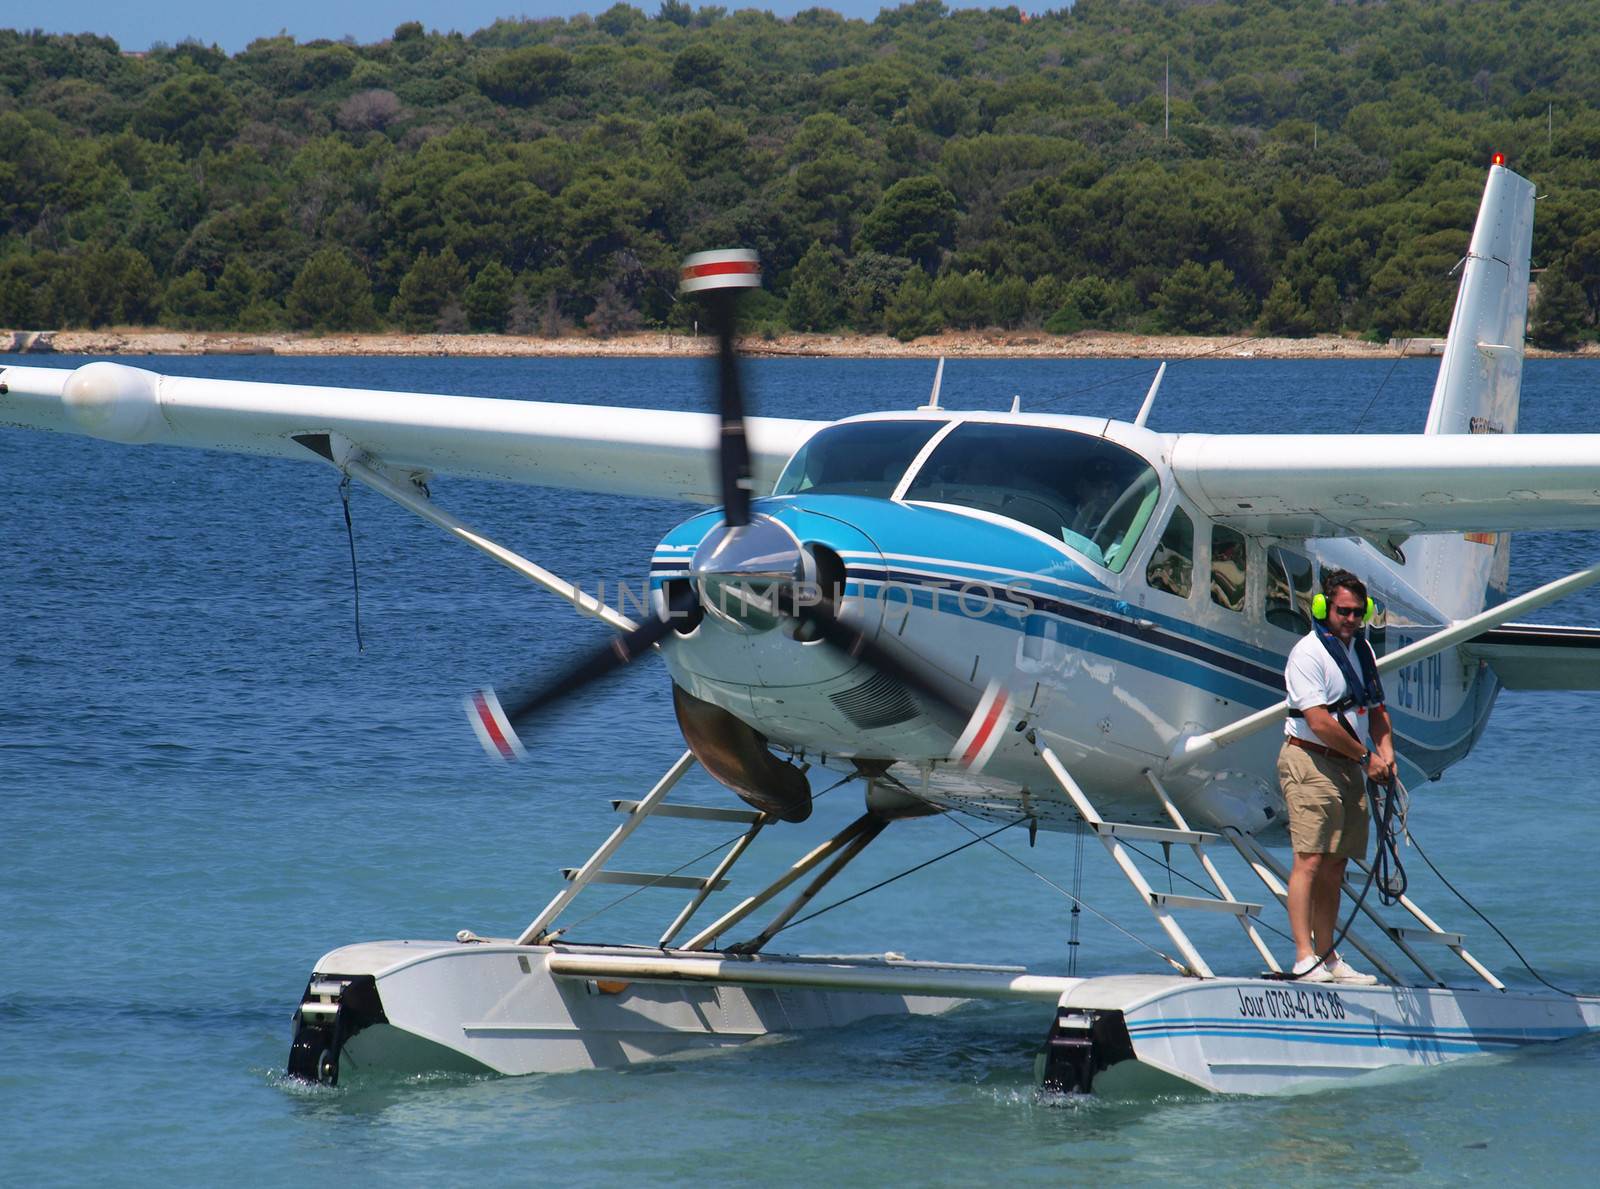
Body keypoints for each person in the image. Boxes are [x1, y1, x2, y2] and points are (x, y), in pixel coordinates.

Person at [1278, 568, 1395, 985]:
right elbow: (1319, 721)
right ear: (1324, 608)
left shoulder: (1362, 651)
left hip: (1348, 763)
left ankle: (1328, 958)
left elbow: (1377, 710)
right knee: (1308, 859)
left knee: (1335, 865)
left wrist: (1387, 755)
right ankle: (1302, 956)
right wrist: (1367, 758)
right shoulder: (1308, 654)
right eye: (1342, 611)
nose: (1350, 619)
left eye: (1357, 612)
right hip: (1310, 759)